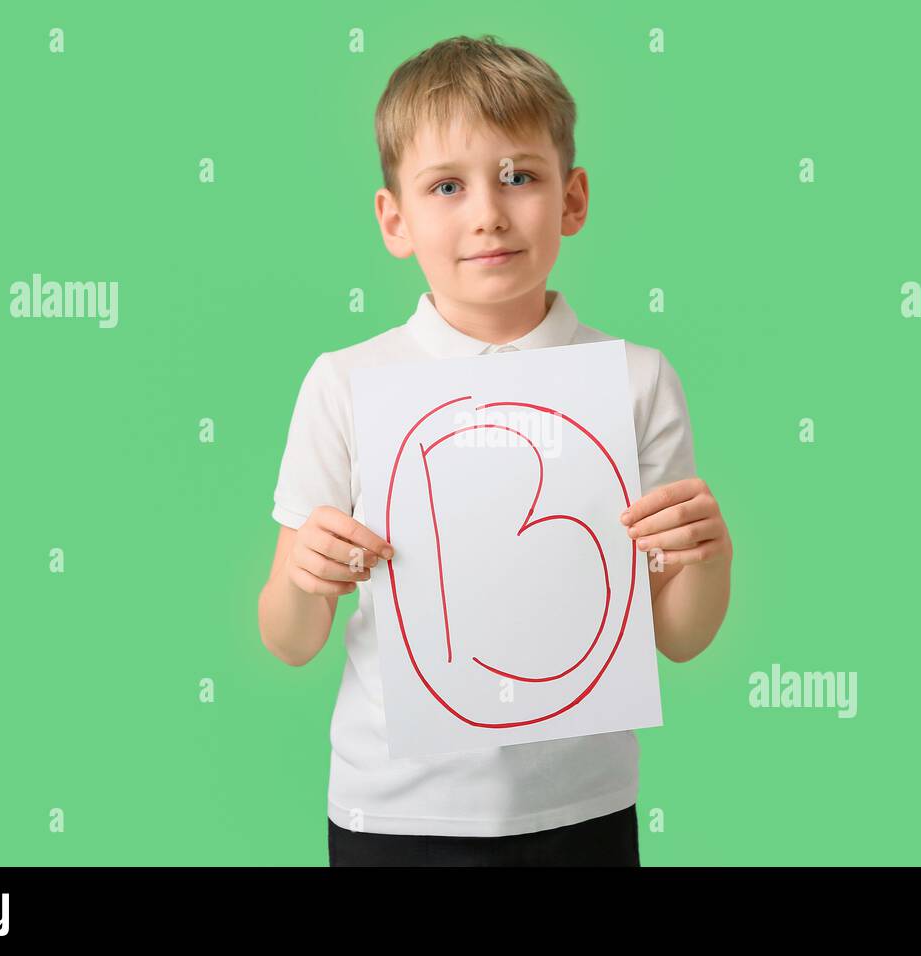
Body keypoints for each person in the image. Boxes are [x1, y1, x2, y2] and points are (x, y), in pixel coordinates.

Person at [257, 34, 733, 866]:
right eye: (447, 185)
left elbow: (680, 636)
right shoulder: (346, 382)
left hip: (581, 806)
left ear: (573, 199)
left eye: (520, 176)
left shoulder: (635, 381)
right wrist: (307, 576)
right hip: (392, 814)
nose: (488, 212)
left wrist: (709, 554)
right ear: (395, 219)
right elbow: (290, 638)